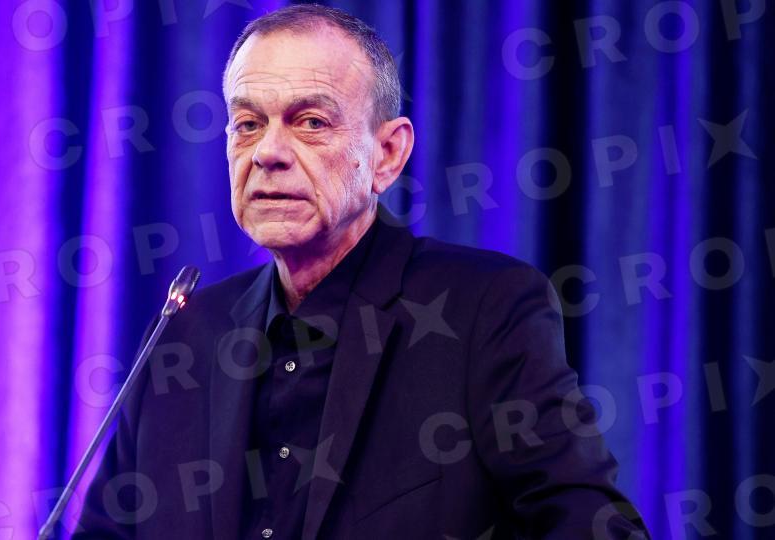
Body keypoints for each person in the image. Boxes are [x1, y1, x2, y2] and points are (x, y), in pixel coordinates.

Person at [76, 4, 648, 539]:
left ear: (388, 155)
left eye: (310, 121)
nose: (267, 152)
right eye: (247, 124)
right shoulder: (184, 334)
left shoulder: (485, 310)